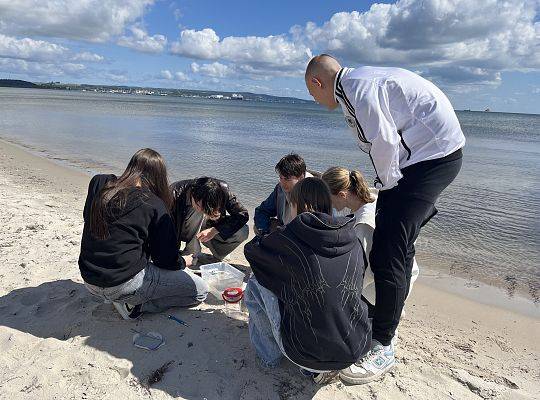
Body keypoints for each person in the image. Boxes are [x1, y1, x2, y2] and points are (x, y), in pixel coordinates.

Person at [305, 54, 465, 383]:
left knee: (388, 250)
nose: (316, 101)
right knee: (397, 248)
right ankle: (391, 312)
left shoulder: (357, 90)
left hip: (432, 160)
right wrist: (385, 193)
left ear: (317, 83)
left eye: (312, 94)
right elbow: (387, 146)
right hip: (425, 159)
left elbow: (385, 144)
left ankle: (384, 344)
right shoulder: (354, 85)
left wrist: (384, 191)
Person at [244, 177, 372, 385]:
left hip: (304, 353)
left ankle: (270, 358)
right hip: (354, 347)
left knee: (255, 283)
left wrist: (271, 234)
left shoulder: (289, 238)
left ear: (296, 205)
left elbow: (251, 251)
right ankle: (316, 367)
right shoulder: (353, 237)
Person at [79, 149, 208, 320]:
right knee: (200, 292)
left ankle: (125, 297)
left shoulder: (99, 182)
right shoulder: (153, 203)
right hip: (123, 284)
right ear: (159, 177)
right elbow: (165, 260)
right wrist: (184, 261)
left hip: (89, 278)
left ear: (132, 166)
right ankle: (136, 306)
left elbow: (88, 217)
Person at [322, 167, 419, 312]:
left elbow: (366, 270)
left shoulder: (364, 224)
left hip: (380, 289)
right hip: (403, 273)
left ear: (342, 194)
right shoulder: (373, 197)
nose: (329, 203)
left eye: (329, 198)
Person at [170, 177, 249, 262]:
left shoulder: (223, 191)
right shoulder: (174, 193)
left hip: (208, 227)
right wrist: (174, 256)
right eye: (199, 206)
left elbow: (242, 215)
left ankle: (217, 255)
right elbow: (167, 227)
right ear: (193, 194)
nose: (202, 210)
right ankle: (191, 253)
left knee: (243, 231)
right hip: (183, 229)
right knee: (197, 213)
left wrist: (215, 230)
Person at [254, 153, 315, 236]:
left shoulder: (314, 193)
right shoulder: (280, 189)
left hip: (305, 237)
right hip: (285, 230)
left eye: (287, 179)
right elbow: (262, 210)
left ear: (301, 177)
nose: (282, 183)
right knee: (258, 227)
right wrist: (264, 231)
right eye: (280, 178)